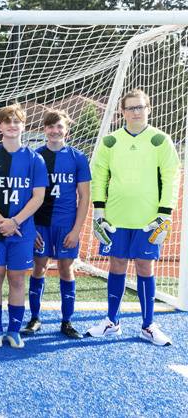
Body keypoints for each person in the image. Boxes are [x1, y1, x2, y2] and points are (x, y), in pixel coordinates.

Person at [86, 89, 179, 346]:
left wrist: (164, 213)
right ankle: (112, 322)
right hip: (116, 218)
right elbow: (100, 177)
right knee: (116, 265)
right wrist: (99, 211)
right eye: (131, 108)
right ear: (123, 112)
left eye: (140, 107)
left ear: (148, 109)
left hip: (149, 219)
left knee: (145, 267)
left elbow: (171, 177)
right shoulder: (110, 141)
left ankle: (148, 325)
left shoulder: (160, 140)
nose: (136, 112)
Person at [0, 103, 47, 349]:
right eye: (7, 122)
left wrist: (15, 221)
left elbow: (38, 196)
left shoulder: (34, 159)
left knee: (17, 280)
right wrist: (1, 221)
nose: (12, 126)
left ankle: (14, 330)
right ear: (0, 126)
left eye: (16, 121)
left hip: (22, 230)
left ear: (23, 125)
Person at [21, 111, 90, 339]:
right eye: (50, 127)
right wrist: (30, 228)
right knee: (39, 267)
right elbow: (26, 196)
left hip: (65, 226)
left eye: (59, 127)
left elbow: (84, 197)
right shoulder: (35, 157)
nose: (55, 131)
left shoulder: (78, 157)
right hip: (40, 225)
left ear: (66, 130)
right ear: (44, 130)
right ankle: (34, 318)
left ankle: (67, 321)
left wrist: (76, 230)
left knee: (65, 269)